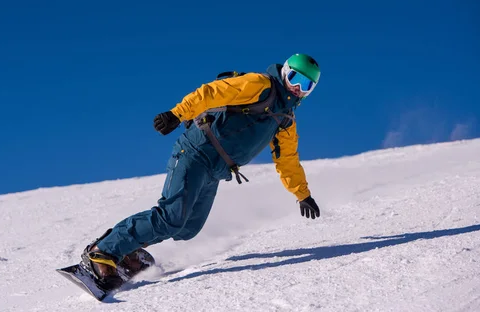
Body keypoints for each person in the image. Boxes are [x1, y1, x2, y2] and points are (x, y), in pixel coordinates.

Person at [81, 53, 322, 289]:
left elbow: (287, 160)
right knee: (171, 217)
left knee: (188, 228)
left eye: (307, 85)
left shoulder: (285, 120)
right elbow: (212, 92)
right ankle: (104, 251)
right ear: (284, 72)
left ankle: (126, 249)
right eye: (294, 78)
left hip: (215, 171)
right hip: (195, 152)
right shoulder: (260, 85)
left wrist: (302, 194)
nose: (298, 88)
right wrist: (177, 114)